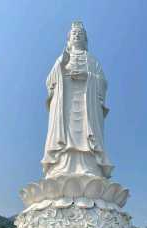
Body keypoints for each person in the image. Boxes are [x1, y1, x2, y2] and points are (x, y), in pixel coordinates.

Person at [42, 21, 113, 179]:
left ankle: (90, 168)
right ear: (68, 40)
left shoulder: (93, 61)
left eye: (80, 34)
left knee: (87, 137)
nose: (77, 35)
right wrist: (61, 68)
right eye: (74, 33)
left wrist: (88, 77)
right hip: (66, 103)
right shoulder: (61, 59)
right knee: (65, 135)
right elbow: (49, 82)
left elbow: (103, 83)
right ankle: (60, 168)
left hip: (87, 105)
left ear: (85, 40)